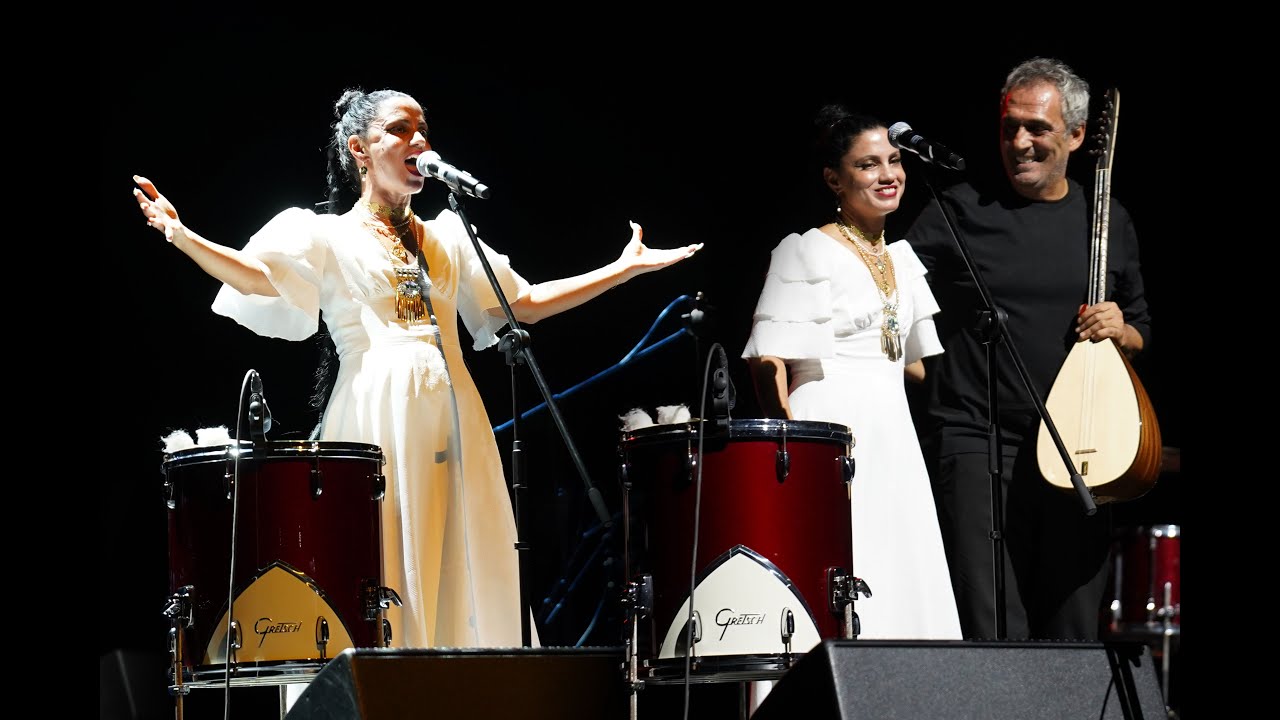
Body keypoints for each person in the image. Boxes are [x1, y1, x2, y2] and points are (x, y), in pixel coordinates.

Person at [132, 87, 702, 650]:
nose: (419, 141)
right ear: (359, 149)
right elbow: (258, 277)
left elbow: (522, 303)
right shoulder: (325, 234)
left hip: (455, 418)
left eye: (423, 130)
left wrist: (622, 269)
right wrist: (183, 236)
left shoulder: (449, 236)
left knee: (466, 556)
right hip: (375, 414)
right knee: (385, 560)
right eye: (400, 129)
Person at [905, 58, 1152, 641]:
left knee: (1072, 626)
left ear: (1076, 135)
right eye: (1009, 127)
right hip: (977, 438)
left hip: (1080, 442)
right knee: (990, 622)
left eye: (1037, 128)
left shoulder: (1105, 219)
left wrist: (1121, 330)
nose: (1019, 143)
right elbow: (890, 293)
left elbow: (1141, 328)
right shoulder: (958, 209)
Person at [741, 105, 962, 640]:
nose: (888, 174)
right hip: (830, 426)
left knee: (897, 562)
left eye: (894, 161)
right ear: (834, 179)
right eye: (868, 165)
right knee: (842, 559)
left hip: (891, 432)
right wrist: (794, 448)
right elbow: (767, 361)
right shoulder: (807, 250)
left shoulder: (900, 258)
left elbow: (908, 363)